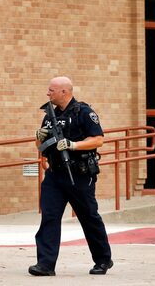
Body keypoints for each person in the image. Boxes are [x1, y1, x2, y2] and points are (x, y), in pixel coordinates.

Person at [28, 76, 113, 276]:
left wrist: (73, 145)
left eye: (51, 90)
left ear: (64, 92)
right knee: (49, 217)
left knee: (89, 217)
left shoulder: (84, 112)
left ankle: (103, 259)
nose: (48, 94)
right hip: (55, 175)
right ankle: (46, 265)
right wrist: (39, 139)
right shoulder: (50, 115)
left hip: (79, 174)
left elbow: (98, 140)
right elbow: (42, 148)